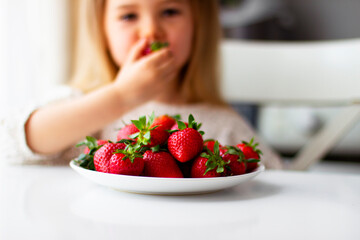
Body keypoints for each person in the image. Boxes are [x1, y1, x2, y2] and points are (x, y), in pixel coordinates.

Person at [0, 0, 282, 169]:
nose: (150, 30)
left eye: (170, 11)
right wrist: (121, 97)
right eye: (128, 15)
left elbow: (278, 186)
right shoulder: (82, 107)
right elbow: (11, 141)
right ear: (102, 30)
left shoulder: (225, 126)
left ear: (200, 24)